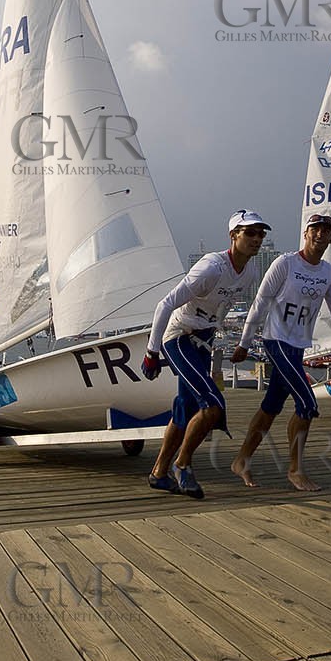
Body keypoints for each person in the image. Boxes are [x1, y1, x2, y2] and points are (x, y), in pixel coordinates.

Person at [231, 211, 331, 492]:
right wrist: (244, 343)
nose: (320, 235)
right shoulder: (285, 264)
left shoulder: (328, 272)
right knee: (307, 404)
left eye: (326, 231)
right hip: (276, 340)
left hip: (297, 346)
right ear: (305, 233)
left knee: (271, 406)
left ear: (330, 238)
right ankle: (296, 470)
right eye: (315, 230)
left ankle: (242, 460)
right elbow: (260, 303)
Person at [142, 209, 270, 499]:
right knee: (212, 405)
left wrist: (224, 340)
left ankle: (158, 474)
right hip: (179, 337)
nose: (257, 239)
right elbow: (165, 304)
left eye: (261, 233)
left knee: (185, 409)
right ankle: (182, 465)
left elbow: (220, 308)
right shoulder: (211, 268)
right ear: (233, 235)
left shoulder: (250, 271)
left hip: (203, 341)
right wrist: (151, 352)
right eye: (249, 232)